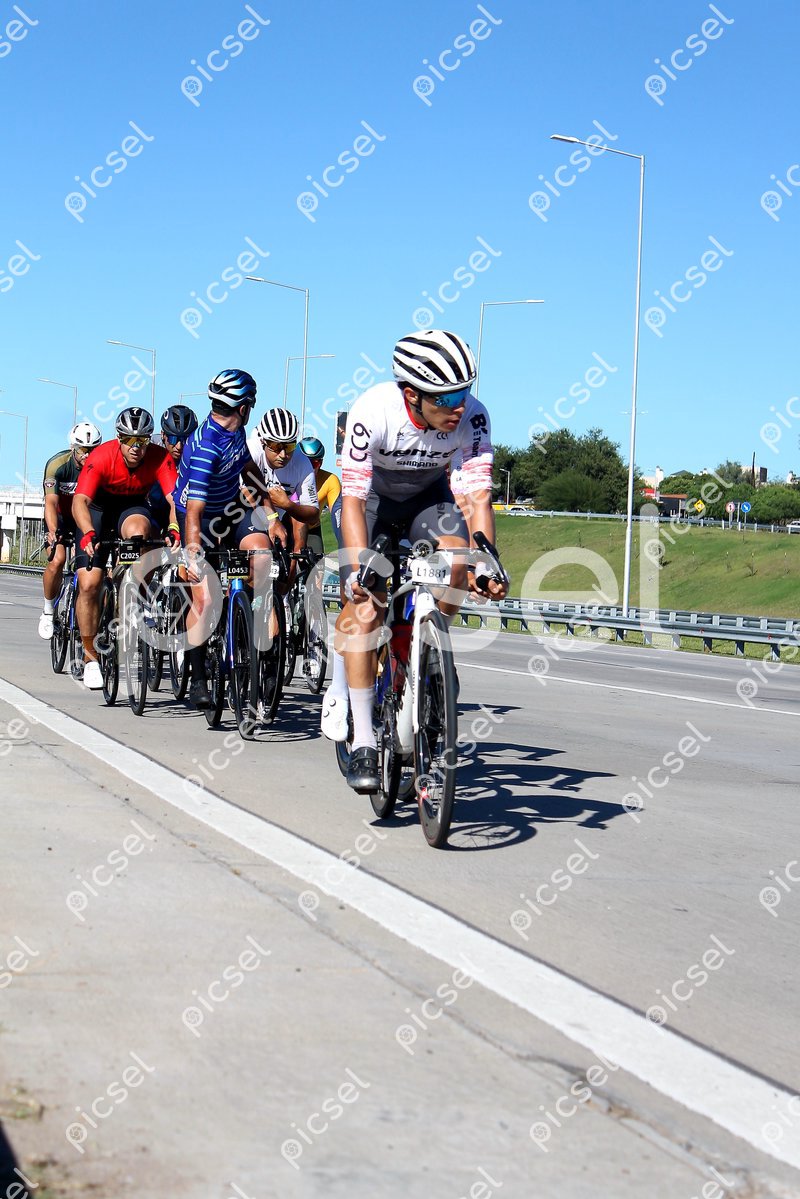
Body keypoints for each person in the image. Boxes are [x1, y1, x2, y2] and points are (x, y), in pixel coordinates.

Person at [331, 329, 508, 792]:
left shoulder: (472, 416)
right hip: (370, 503)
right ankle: (364, 739)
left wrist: (485, 563)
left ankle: (427, 654)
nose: (458, 406)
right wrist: (358, 571)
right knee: (366, 604)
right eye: (447, 397)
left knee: (457, 562)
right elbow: (352, 500)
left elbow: (476, 496)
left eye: (464, 393)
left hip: (428, 502)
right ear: (412, 394)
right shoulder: (373, 411)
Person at [174, 370, 286, 709]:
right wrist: (193, 553)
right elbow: (194, 511)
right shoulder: (207, 446)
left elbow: (250, 471)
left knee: (262, 554)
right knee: (205, 598)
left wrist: (271, 518)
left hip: (230, 507)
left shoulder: (235, 431)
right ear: (243, 407)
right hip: (200, 517)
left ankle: (256, 626)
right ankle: (197, 677)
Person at [72, 407, 179, 690]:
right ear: (119, 438)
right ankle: (90, 657)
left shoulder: (160, 457)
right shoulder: (100, 457)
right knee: (89, 584)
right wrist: (88, 533)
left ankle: (134, 592)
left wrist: (174, 527)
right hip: (96, 510)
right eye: (130, 440)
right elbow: (80, 501)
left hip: (130, 508)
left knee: (141, 533)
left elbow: (175, 500)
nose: (136, 447)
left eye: (142, 441)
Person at [39, 421, 102, 639]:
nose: (88, 455)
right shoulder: (57, 464)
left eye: (93, 449)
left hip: (83, 520)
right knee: (57, 559)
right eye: (83, 450)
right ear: (73, 447)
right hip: (59, 517)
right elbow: (50, 503)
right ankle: (48, 611)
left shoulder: (100, 467)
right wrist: (53, 531)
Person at [149, 405, 198, 531]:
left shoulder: (197, 452)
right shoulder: (150, 448)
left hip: (181, 508)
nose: (179, 446)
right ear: (162, 434)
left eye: (185, 439)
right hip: (152, 507)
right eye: (173, 439)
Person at [297, 435, 342, 558]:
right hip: (287, 527)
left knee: (317, 567)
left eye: (314, 463)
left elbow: (338, 515)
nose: (308, 467)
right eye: (304, 462)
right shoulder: (288, 474)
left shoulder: (330, 480)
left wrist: (345, 543)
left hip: (312, 529)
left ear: (320, 463)